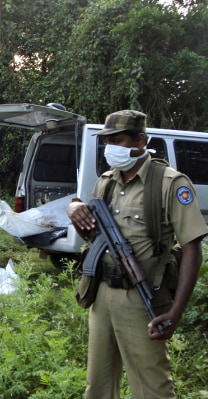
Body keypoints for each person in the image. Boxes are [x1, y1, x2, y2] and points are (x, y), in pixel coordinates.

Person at [67, 110, 208, 399]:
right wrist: (75, 211)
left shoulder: (170, 183)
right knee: (98, 387)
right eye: (107, 142)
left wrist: (175, 314)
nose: (111, 149)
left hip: (141, 299)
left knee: (151, 389)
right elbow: (93, 236)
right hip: (101, 294)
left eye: (117, 141)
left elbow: (193, 248)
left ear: (140, 140)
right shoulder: (106, 181)